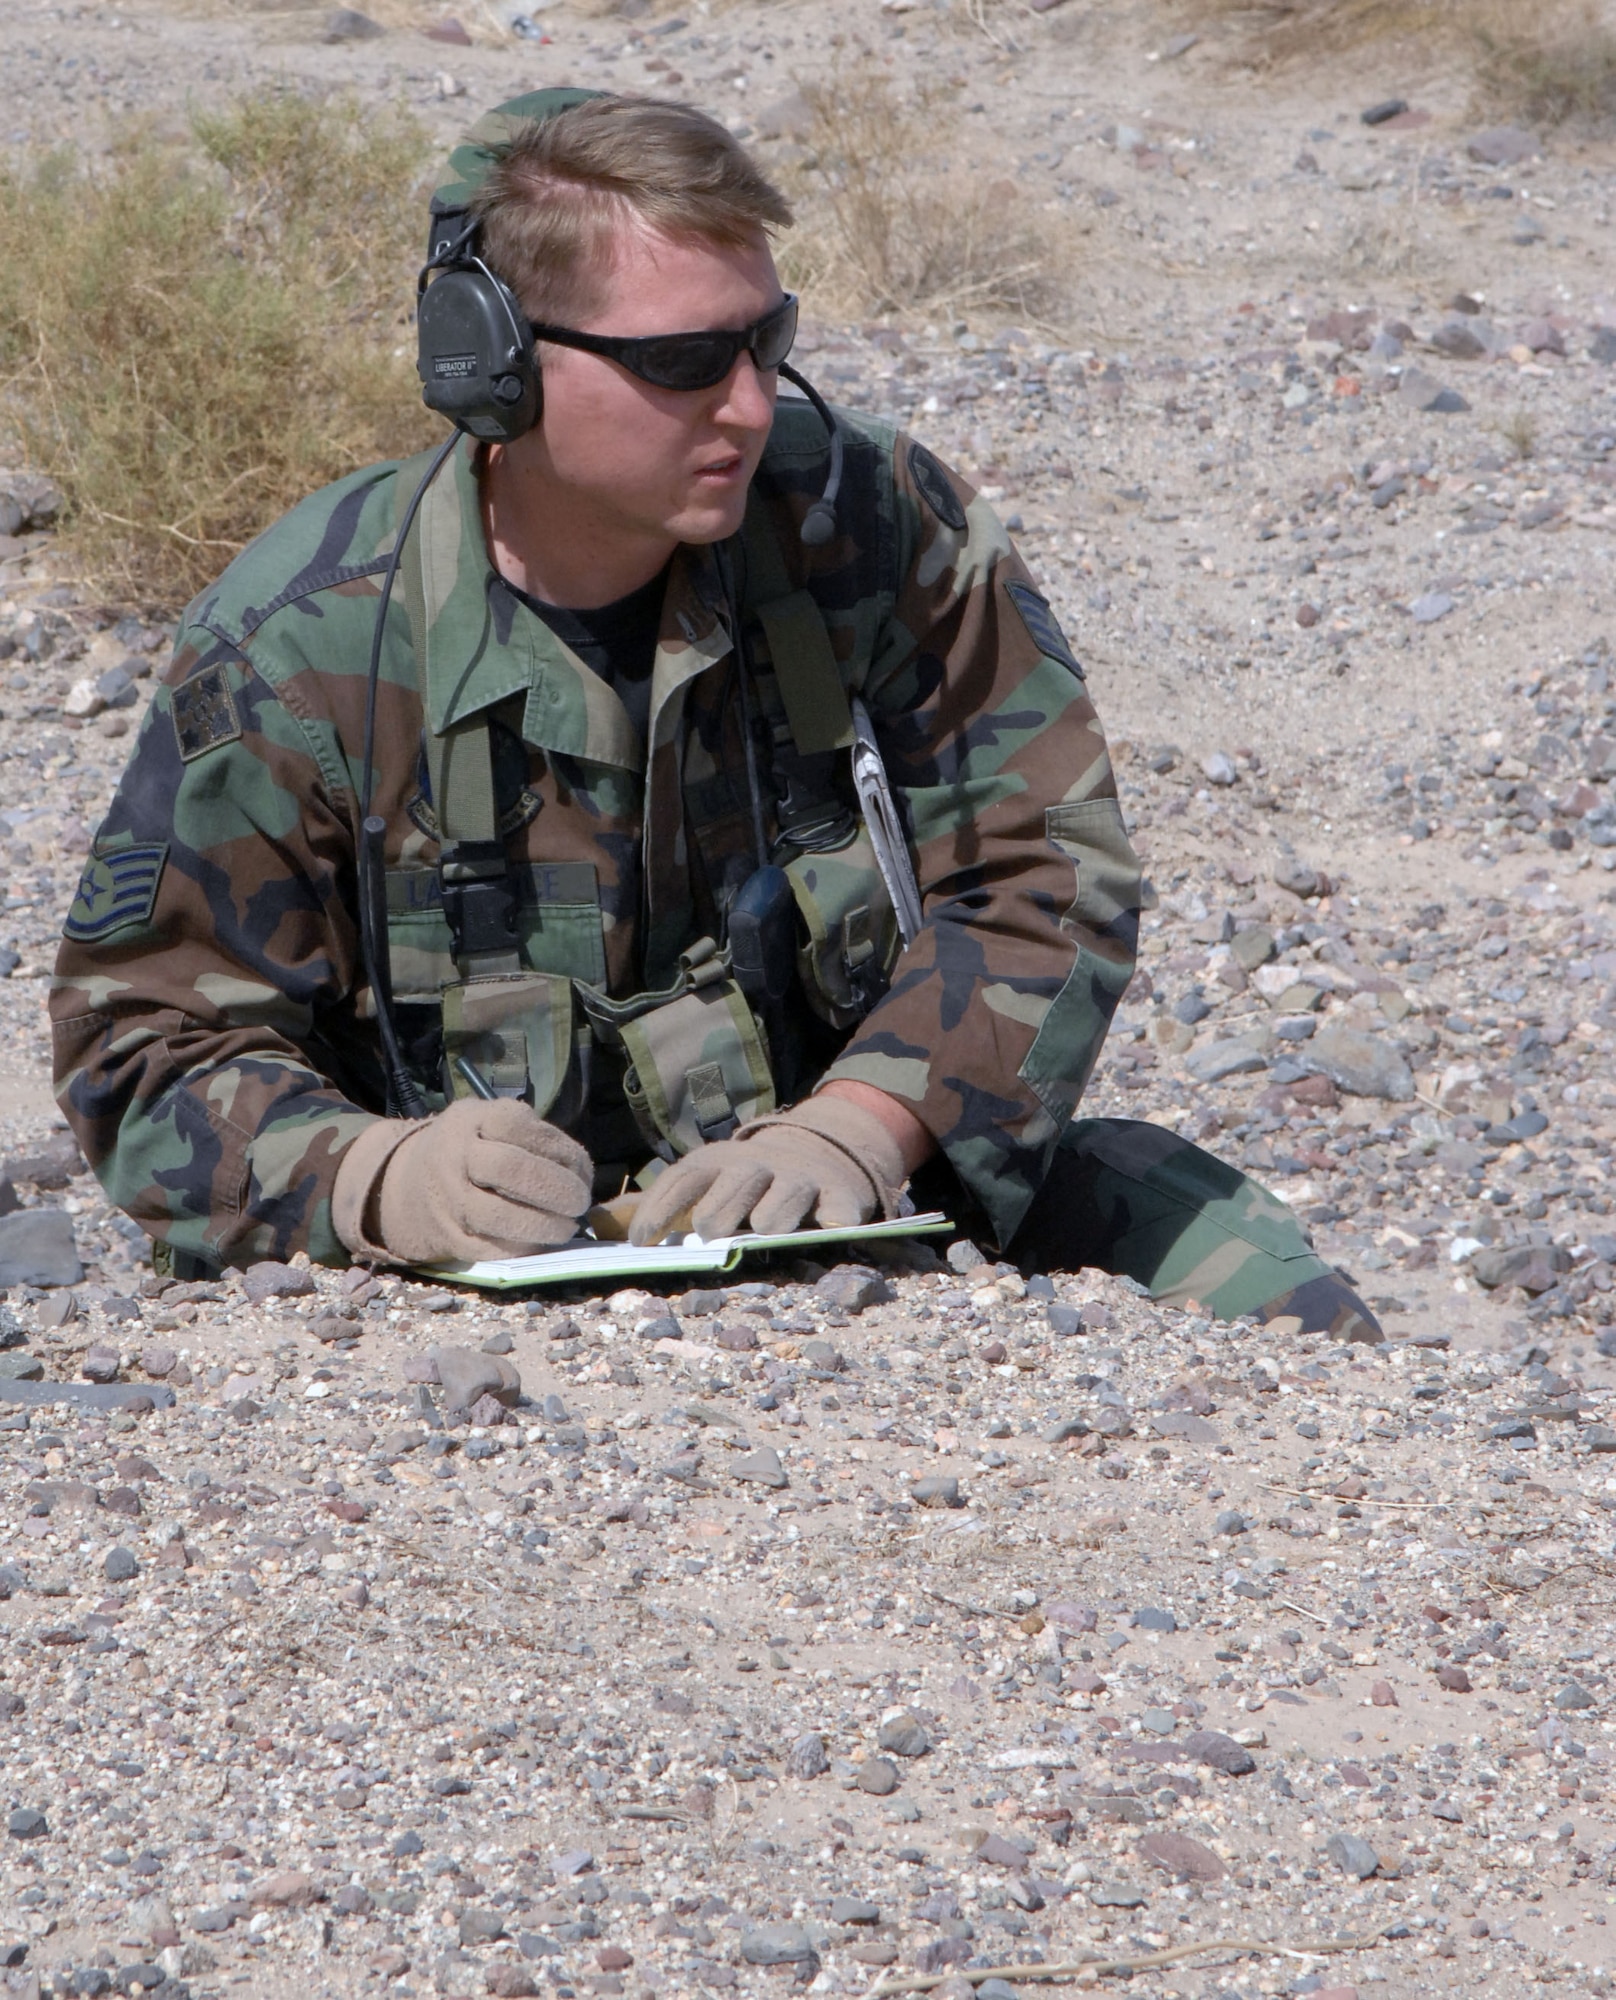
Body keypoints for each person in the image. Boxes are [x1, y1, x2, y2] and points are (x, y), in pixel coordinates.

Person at [50, 88, 1378, 1343]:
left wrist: (861, 1124)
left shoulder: (869, 526)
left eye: (767, 341)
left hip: (869, 1202)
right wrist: (372, 1178)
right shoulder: (304, 640)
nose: (748, 405)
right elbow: (142, 1038)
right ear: (494, 367)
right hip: (474, 1288)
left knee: (1276, 1302)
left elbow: (1045, 871)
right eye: (684, 361)